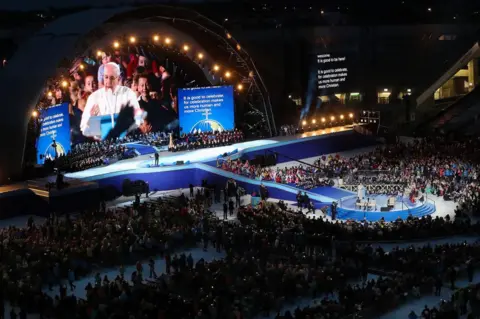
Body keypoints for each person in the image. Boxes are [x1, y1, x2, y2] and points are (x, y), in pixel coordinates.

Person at [80, 62, 144, 138]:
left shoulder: (128, 93)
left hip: (127, 140)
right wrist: (92, 120)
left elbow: (139, 120)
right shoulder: (94, 97)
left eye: (112, 78)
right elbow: (84, 129)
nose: (108, 82)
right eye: (106, 77)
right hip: (103, 144)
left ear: (119, 78)